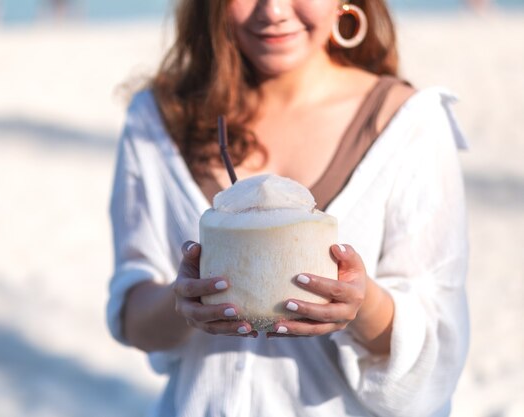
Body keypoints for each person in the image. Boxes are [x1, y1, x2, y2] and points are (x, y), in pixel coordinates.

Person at [107, 1, 470, 416]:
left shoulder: (410, 122)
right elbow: (133, 319)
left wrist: (361, 303)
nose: (274, 11)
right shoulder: (157, 119)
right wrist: (182, 301)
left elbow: (440, 343)